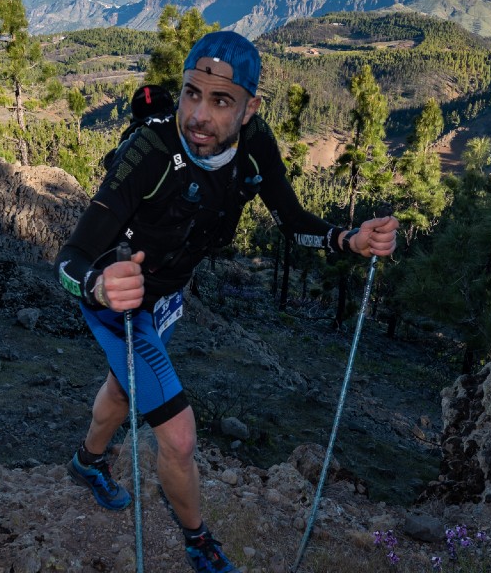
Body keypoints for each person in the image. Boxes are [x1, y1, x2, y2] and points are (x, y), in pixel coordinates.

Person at [54, 30, 398, 572]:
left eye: (220, 101)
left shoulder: (255, 144)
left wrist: (345, 239)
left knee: (127, 386)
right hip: (118, 299)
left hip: (164, 297)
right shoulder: (149, 153)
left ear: (249, 108)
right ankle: (197, 539)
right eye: (191, 93)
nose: (198, 115)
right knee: (180, 436)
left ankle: (87, 461)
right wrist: (98, 284)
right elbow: (70, 258)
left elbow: (292, 223)